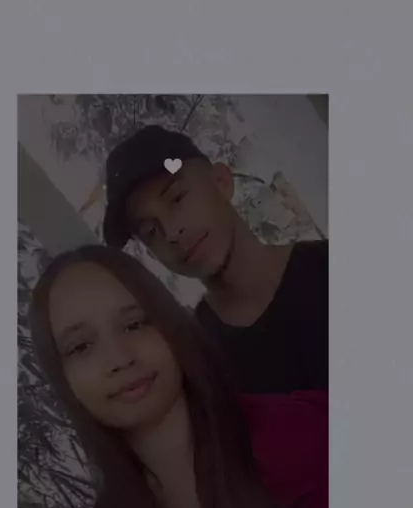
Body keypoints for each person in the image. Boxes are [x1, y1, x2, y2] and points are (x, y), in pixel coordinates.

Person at [30, 244, 328, 508]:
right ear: (63, 379)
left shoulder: (301, 432)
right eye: (81, 347)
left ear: (170, 324)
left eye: (135, 324)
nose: (119, 358)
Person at [103, 124, 328, 394]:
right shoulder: (199, 361)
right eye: (150, 231)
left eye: (177, 198)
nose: (171, 232)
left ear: (221, 182)